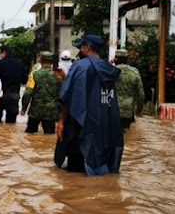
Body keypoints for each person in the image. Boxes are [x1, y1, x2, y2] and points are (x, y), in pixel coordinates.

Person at [55, 34, 124, 176]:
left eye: (81, 47)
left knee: (74, 178)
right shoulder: (109, 68)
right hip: (104, 129)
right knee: (99, 172)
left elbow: (68, 96)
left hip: (80, 128)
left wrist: (61, 121)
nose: (80, 50)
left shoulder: (79, 67)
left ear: (87, 48)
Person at [20, 51, 62, 134]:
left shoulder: (34, 74)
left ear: (40, 61)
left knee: (30, 134)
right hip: (51, 111)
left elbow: (28, 93)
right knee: (49, 136)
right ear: (52, 62)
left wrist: (23, 108)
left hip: (35, 111)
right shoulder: (58, 75)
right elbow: (62, 94)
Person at [0, 45, 27, 124]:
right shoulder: (19, 64)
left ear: (3, 52)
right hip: (13, 95)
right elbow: (24, 80)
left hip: (0, 95)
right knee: (11, 123)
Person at [114, 48, 145, 130]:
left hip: (113, 110)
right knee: (126, 133)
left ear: (116, 58)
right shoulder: (134, 72)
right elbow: (140, 94)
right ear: (127, 59)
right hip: (128, 111)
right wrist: (139, 109)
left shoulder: (111, 71)